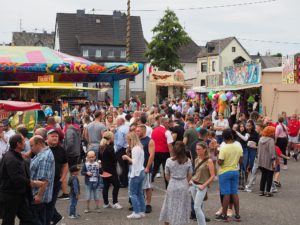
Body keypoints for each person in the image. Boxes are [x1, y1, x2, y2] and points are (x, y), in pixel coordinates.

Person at [0, 134, 45, 225]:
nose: (25, 143)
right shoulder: (11, 158)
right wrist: (33, 183)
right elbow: (16, 178)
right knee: (8, 220)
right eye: (23, 141)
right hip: (10, 196)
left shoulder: (15, 155)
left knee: (27, 218)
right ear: (18, 144)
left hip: (19, 195)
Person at [159, 141, 193, 225]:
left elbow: (166, 174)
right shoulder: (188, 161)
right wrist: (186, 182)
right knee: (182, 206)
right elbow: (190, 175)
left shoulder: (169, 160)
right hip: (183, 184)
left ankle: (167, 222)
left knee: (169, 205)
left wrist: (171, 181)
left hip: (172, 184)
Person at [215, 129, 243, 222]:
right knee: (234, 193)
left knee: (226, 194)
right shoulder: (238, 146)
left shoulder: (224, 148)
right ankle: (237, 215)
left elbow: (220, 162)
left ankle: (224, 215)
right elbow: (241, 161)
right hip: (235, 171)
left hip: (224, 172)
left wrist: (218, 154)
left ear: (224, 137)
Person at [30, 135, 55, 225]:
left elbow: (44, 180)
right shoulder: (42, 154)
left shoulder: (44, 157)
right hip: (39, 197)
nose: (31, 148)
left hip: (38, 197)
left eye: (32, 145)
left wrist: (39, 196)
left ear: (39, 144)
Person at [190, 142, 215, 225]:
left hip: (202, 186)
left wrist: (204, 185)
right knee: (197, 207)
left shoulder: (209, 161)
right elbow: (195, 173)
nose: (197, 151)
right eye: (196, 149)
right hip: (193, 184)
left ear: (204, 150)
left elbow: (212, 176)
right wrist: (190, 180)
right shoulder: (196, 159)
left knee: (196, 207)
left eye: (199, 149)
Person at [46, 129, 68, 225]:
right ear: (47, 138)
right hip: (43, 182)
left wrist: (62, 178)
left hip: (56, 182)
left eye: (56, 136)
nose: (55, 138)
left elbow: (65, 164)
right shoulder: (43, 148)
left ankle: (51, 220)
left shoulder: (61, 149)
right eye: (52, 136)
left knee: (50, 204)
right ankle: (56, 218)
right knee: (45, 203)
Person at [122, 132, 146, 219]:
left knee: (133, 194)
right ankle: (141, 211)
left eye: (127, 139)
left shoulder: (135, 149)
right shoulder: (140, 147)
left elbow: (134, 162)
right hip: (141, 171)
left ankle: (136, 212)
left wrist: (126, 157)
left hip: (136, 173)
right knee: (140, 193)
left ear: (131, 139)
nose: (126, 141)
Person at [99, 131, 122, 209]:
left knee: (106, 186)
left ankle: (106, 203)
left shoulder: (101, 146)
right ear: (110, 138)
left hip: (103, 169)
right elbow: (114, 159)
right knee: (117, 185)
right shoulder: (110, 148)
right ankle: (115, 202)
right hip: (111, 169)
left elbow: (100, 158)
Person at [136, 125, 155, 213]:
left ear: (143, 131)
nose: (137, 132)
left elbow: (151, 155)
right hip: (137, 167)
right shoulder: (137, 140)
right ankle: (140, 203)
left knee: (147, 187)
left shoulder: (149, 141)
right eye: (136, 131)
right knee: (139, 186)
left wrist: (147, 167)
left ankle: (148, 204)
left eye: (138, 131)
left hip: (145, 167)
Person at [151, 117, 173, 187]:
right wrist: (172, 155)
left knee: (155, 168)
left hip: (156, 152)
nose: (168, 124)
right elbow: (169, 144)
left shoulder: (154, 130)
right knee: (165, 169)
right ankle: (167, 185)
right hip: (165, 152)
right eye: (167, 123)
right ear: (164, 123)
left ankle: (149, 181)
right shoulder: (167, 132)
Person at [257, 126, 277, 197]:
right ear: (271, 133)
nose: (274, 133)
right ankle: (268, 192)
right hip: (268, 160)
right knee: (269, 176)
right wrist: (274, 161)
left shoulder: (260, 139)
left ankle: (261, 191)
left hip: (261, 160)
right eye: (273, 132)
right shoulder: (271, 140)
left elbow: (258, 150)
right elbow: (272, 152)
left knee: (263, 176)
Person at [114, 117, 130, 188]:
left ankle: (123, 182)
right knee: (126, 166)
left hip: (121, 149)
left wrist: (116, 150)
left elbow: (120, 142)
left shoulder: (120, 129)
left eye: (117, 122)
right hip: (127, 148)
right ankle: (126, 181)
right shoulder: (127, 128)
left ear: (120, 122)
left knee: (121, 166)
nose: (116, 123)